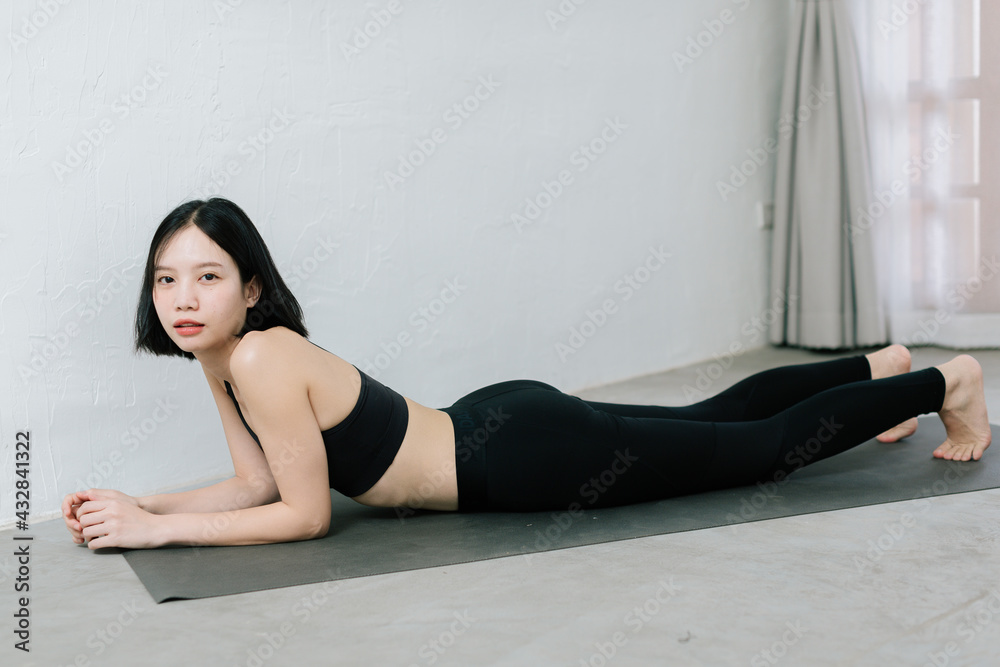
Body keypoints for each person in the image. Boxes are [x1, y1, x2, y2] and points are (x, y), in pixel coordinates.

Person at [61, 198, 993, 549]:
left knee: (752, 451)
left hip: (521, 459)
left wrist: (156, 536)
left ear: (251, 285)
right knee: (711, 415)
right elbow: (260, 482)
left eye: (208, 276)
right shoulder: (223, 360)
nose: (184, 296)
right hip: (493, 428)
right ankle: (879, 365)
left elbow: (304, 518)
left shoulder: (260, 354)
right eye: (167, 278)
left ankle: (943, 384)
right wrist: (148, 502)